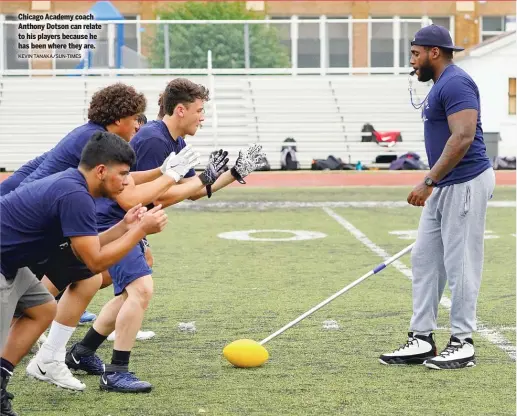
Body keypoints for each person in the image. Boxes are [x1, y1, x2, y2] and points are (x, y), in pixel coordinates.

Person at [65, 77, 266, 393]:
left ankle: (82, 352)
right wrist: (204, 177)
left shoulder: (175, 141)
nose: (203, 117)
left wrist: (232, 173)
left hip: (129, 221)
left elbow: (194, 192)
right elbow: (153, 196)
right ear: (181, 110)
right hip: (115, 221)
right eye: (200, 110)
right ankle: (116, 371)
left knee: (127, 294)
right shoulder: (155, 140)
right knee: (140, 291)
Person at [0, 132, 171, 415]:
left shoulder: (75, 186)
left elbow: (87, 247)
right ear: (102, 170)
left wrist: (125, 227)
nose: (128, 182)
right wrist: (140, 230)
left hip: (11, 263)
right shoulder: (75, 195)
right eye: (124, 174)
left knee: (42, 309)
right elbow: (93, 262)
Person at [379, 25, 495, 370]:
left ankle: (462, 342)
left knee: (461, 264)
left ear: (434, 52)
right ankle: (422, 338)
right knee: (426, 260)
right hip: (445, 185)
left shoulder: (456, 82)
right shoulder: (439, 85)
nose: (412, 62)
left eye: (415, 54)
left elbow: (463, 136)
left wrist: (429, 180)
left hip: (465, 181)